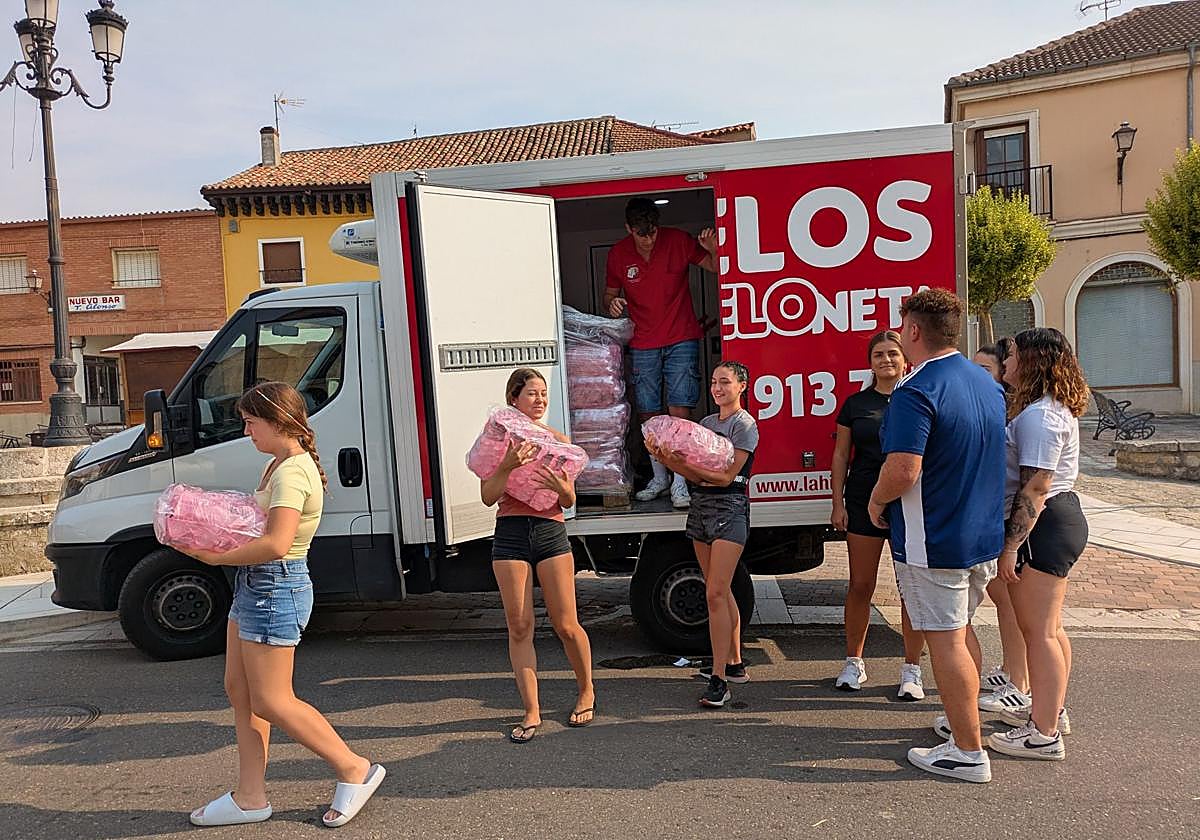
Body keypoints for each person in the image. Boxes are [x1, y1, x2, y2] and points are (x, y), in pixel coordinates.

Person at [184, 382, 384, 828]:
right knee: (242, 694)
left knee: (272, 700)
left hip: (275, 587)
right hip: (256, 586)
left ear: (277, 423)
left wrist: (215, 557)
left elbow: (276, 544)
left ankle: (355, 768)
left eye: (251, 423)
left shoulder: (292, 471)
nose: (246, 430)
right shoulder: (279, 464)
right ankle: (250, 796)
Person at [867, 289, 1006, 784]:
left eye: (901, 324)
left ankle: (968, 752)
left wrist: (876, 500)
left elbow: (903, 469)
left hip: (935, 537)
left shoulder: (914, 390)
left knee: (945, 641)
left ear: (913, 332)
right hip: (981, 533)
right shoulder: (985, 382)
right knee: (963, 630)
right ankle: (960, 722)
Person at [987, 328, 1088, 761]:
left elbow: (1036, 488)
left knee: (1039, 631)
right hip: (1057, 521)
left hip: (1044, 524)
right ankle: (1052, 713)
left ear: (1032, 360)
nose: (1004, 362)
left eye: (1011, 355)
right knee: (1049, 628)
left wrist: (1011, 546)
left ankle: (1043, 734)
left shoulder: (1040, 416)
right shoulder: (1047, 409)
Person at [481, 368, 595, 743]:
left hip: (550, 532)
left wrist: (565, 489)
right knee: (519, 626)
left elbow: (569, 500)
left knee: (566, 624)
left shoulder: (557, 441)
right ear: (514, 399)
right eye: (531, 393)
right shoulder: (499, 440)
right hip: (510, 534)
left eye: (543, 393)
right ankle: (531, 710)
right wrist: (507, 466)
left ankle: (586, 690)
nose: (540, 400)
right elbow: (487, 495)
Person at [646, 361, 758, 708]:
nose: (717, 388)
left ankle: (719, 679)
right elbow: (698, 478)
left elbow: (725, 477)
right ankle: (735, 663)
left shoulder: (745, 426)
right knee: (719, 593)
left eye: (725, 382)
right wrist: (667, 458)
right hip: (700, 510)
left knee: (714, 594)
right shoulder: (707, 424)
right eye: (713, 381)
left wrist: (679, 463)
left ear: (742, 386)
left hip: (729, 510)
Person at [605, 196, 719, 509]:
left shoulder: (678, 240)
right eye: (641, 233)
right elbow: (610, 295)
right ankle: (660, 479)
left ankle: (681, 481)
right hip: (642, 341)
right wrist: (612, 305)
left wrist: (713, 248)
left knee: (680, 410)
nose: (648, 238)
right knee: (648, 412)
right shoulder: (617, 254)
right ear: (629, 228)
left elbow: (715, 267)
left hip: (682, 335)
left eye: (652, 232)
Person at [830, 331, 926, 699]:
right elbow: (841, 455)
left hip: (909, 503)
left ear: (905, 359)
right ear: (870, 362)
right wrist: (837, 502)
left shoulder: (916, 399)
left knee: (910, 590)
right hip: (861, 501)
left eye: (893, 354)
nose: (886, 360)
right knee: (860, 585)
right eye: (879, 354)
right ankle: (853, 662)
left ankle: (912, 670)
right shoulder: (855, 404)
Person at [969, 339, 1033, 709]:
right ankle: (1011, 669)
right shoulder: (993, 408)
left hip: (1012, 515)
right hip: (997, 512)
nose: (975, 376)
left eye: (984, 369)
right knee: (1002, 600)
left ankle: (1019, 682)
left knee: (1012, 602)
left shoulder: (1011, 412)